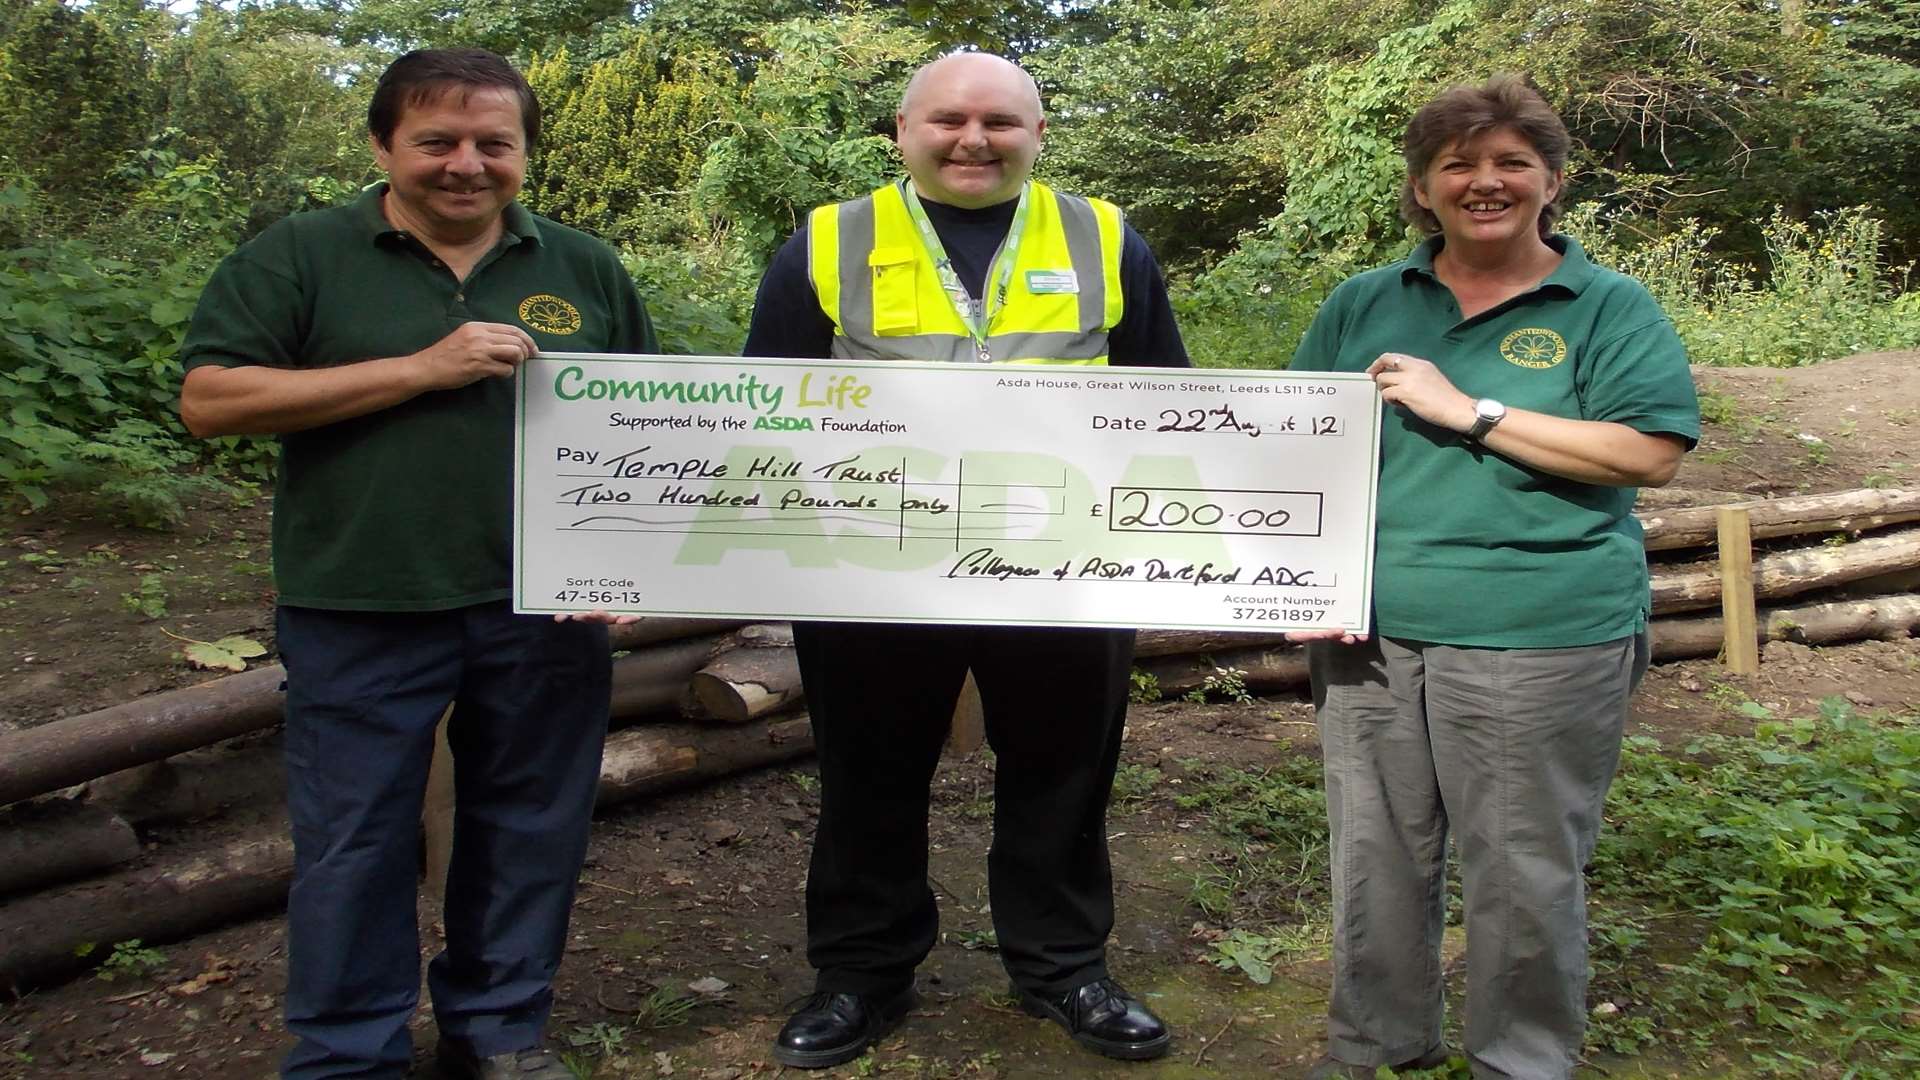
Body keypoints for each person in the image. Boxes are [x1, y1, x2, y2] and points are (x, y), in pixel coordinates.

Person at [178, 48, 657, 1080]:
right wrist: (419, 370)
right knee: (356, 841)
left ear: (526, 151)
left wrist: (630, 562)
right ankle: (349, 1053)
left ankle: (498, 1033)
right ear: (383, 146)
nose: (466, 165)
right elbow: (211, 400)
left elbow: (644, 429)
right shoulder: (301, 255)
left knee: (529, 829)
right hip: (361, 598)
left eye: (495, 143)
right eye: (436, 141)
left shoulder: (583, 266)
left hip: (541, 609)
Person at [743, 51, 1188, 1068]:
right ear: (901, 132)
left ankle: (1063, 965)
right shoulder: (827, 240)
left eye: (999, 121)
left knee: (1066, 769)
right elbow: (763, 403)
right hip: (871, 566)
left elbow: (1169, 396)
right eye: (948, 120)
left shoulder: (1104, 236)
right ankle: (860, 975)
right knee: (867, 771)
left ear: (1037, 133)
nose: (973, 139)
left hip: (1063, 564)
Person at [1286, 76, 1700, 1079]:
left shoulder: (1604, 304)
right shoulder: (1365, 302)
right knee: (1375, 858)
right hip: (1373, 631)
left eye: (1511, 162)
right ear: (1422, 188)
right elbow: (1299, 447)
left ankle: (1519, 1060)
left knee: (1519, 868)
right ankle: (1377, 1043)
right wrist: (1305, 583)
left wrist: (1467, 409)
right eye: (1457, 164)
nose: (1485, 181)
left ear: (1551, 181)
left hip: (1540, 631)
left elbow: (1647, 452)